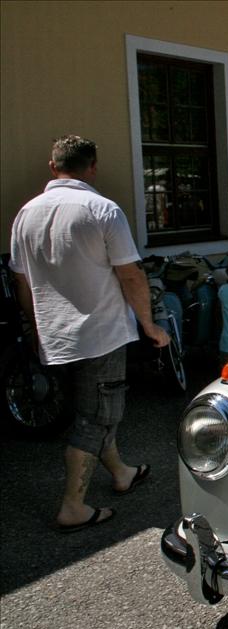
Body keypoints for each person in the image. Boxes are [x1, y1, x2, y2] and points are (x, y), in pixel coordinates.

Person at [9, 135, 168, 532]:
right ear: (92, 167)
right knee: (95, 417)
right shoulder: (102, 209)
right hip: (100, 332)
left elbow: (21, 280)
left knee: (93, 407)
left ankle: (121, 472)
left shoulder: (25, 214)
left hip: (55, 335)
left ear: (52, 166)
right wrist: (149, 325)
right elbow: (130, 274)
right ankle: (73, 506)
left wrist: (34, 325)